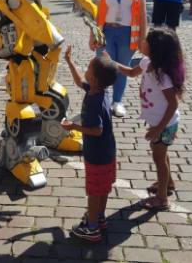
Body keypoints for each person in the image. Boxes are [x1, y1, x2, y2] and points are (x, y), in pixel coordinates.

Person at [112, 27, 185, 210]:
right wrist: (112, 62)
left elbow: (173, 104)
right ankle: (167, 184)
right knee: (161, 154)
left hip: (165, 124)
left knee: (159, 159)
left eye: (146, 41)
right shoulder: (146, 62)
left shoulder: (162, 75)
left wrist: (159, 128)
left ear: (155, 48)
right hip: (158, 122)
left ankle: (162, 199)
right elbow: (130, 73)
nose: (142, 42)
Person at [62, 45, 118, 242]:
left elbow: (97, 130)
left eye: (88, 68)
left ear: (94, 79)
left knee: (94, 191)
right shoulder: (100, 90)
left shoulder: (95, 101)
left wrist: (73, 127)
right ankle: (100, 218)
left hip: (97, 155)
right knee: (102, 188)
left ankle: (92, 228)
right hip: (108, 152)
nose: (85, 70)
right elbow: (79, 81)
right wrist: (69, 61)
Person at [91, 0, 147, 118]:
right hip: (106, 32)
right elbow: (97, 15)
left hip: (127, 33)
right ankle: (102, 101)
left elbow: (143, 16)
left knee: (122, 68)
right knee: (104, 67)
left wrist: (143, 39)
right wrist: (92, 36)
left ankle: (117, 102)